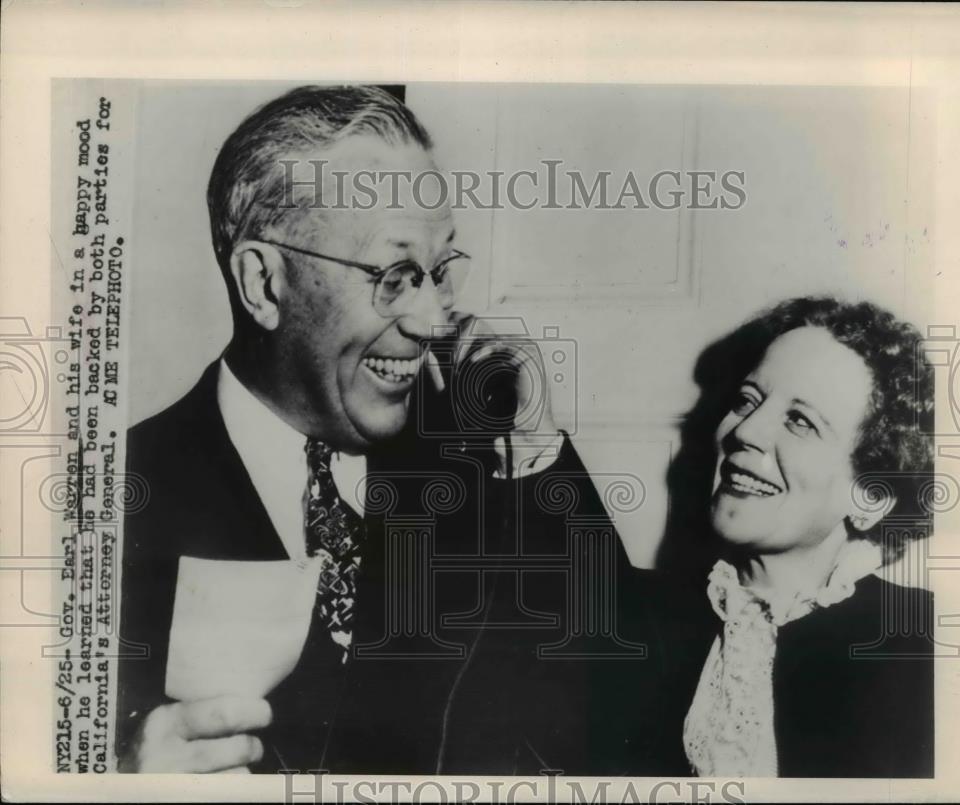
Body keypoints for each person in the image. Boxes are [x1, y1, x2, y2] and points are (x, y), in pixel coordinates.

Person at [116, 85, 638, 774]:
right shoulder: (112, 493)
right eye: (393, 275)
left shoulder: (490, 464)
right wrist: (112, 779)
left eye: (440, 271)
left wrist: (539, 453)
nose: (431, 321)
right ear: (263, 283)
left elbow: (634, 705)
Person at [631, 296, 936, 778]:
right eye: (746, 400)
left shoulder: (926, 646)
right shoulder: (638, 613)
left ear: (870, 495)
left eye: (801, 421)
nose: (744, 430)